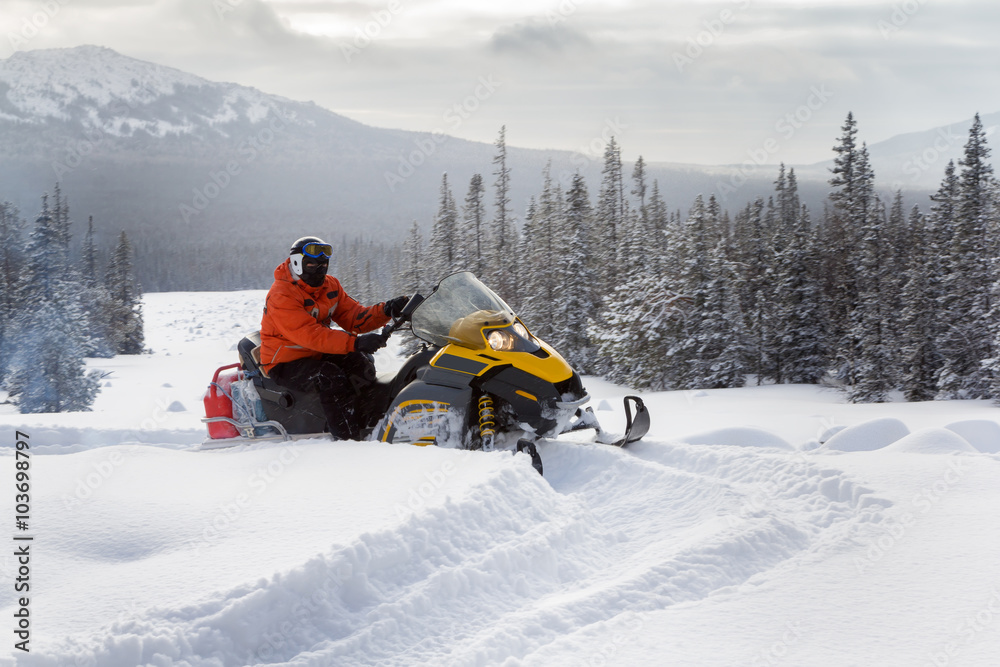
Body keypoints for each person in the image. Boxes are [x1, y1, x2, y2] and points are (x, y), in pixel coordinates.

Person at [259, 236, 408, 439]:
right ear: (296, 263)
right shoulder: (281, 294)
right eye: (311, 264)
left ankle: (370, 422)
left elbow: (355, 318)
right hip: (283, 361)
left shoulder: (329, 286)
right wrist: (355, 343)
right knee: (330, 377)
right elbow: (309, 335)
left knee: (361, 365)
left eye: (323, 264)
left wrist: (386, 310)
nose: (319, 269)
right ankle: (346, 439)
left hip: (316, 353)